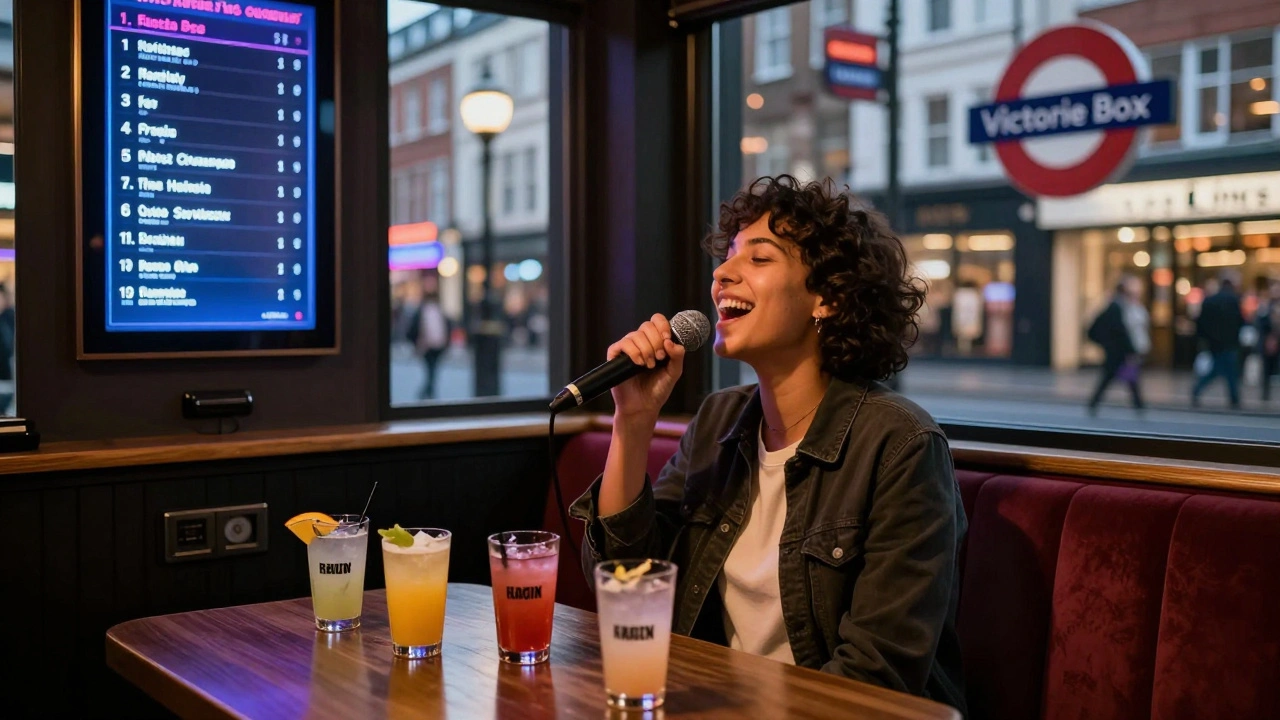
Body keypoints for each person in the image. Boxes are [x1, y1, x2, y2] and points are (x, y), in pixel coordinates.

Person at [570, 176, 967, 713]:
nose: (721, 274)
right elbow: (626, 582)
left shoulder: (901, 445)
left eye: (759, 259)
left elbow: (877, 675)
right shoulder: (720, 418)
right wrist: (633, 420)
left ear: (826, 297)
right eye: (728, 256)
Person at [1085, 276, 1147, 413]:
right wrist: (1130, 349)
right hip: (1117, 350)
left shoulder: (1116, 306)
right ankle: (1138, 404)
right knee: (1115, 377)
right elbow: (1120, 331)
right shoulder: (1116, 307)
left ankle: (1138, 404)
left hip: (1115, 350)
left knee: (1120, 377)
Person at [1192, 275, 1245, 409]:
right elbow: (1240, 321)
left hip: (1215, 343)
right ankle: (1234, 398)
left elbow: (1201, 323)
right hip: (1230, 342)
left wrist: (1205, 339)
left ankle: (1198, 389)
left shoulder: (1210, 300)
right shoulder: (1234, 300)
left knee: (1219, 369)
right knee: (1228, 370)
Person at [404, 275, 451, 400]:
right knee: (431, 370)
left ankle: (427, 391)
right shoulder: (421, 311)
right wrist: (417, 343)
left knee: (433, 370)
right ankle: (428, 392)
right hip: (427, 346)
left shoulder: (438, 310)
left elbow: (445, 327)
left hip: (438, 345)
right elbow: (412, 330)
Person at [1257, 279, 1280, 403]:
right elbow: (1260, 323)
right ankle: (1265, 395)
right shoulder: (1265, 306)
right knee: (1266, 370)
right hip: (1267, 342)